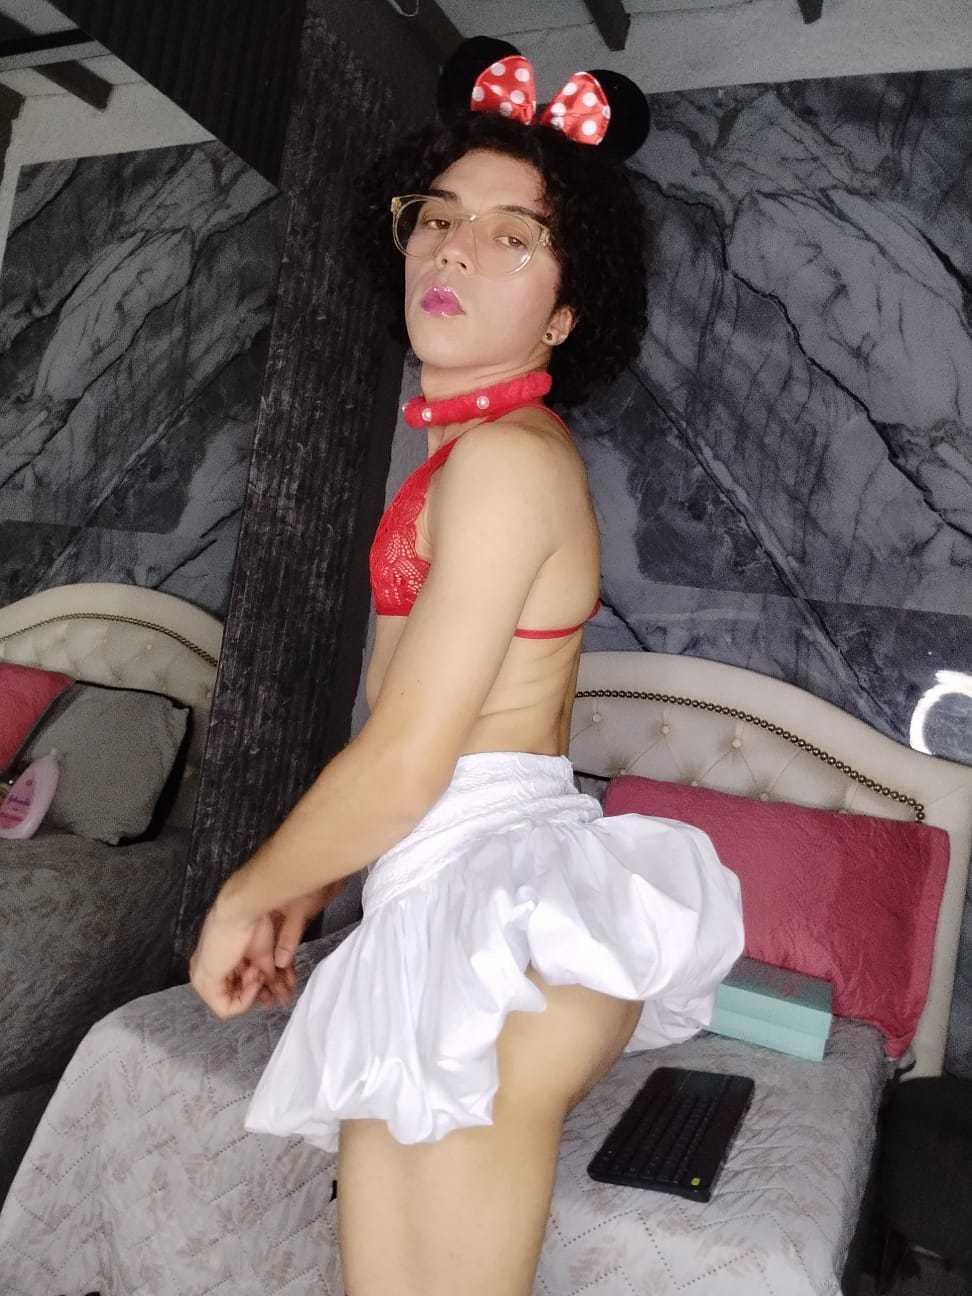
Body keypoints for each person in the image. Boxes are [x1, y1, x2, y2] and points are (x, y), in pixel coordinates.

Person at [188, 36, 744, 1296]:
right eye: (437, 219)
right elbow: (401, 741)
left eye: (511, 237)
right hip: (436, 882)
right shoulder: (467, 454)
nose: (452, 250)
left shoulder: (508, 463)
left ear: (564, 311)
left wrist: (246, 892)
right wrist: (312, 884)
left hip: (502, 899)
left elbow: (408, 757)